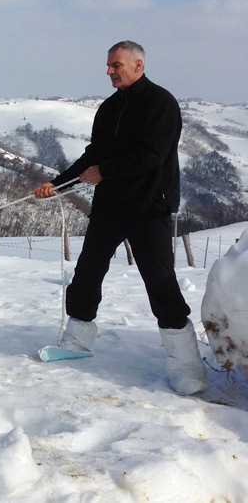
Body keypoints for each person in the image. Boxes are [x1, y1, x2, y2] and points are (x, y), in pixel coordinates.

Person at [32, 40, 207, 395]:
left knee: (160, 281)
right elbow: (93, 155)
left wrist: (104, 171)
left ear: (138, 65)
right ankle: (76, 342)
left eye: (116, 66)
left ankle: (187, 366)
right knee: (87, 273)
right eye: (109, 66)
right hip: (111, 206)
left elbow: (151, 156)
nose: (110, 71)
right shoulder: (109, 108)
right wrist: (58, 182)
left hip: (149, 207)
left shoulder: (161, 104)